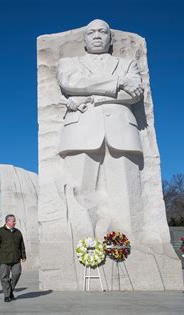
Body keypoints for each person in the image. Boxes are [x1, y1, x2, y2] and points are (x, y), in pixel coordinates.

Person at [57, 19, 147, 241]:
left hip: (122, 132)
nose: (97, 35)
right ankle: (83, 245)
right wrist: (117, 83)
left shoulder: (127, 64)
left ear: (110, 38)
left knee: (126, 196)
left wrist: (90, 96)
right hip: (80, 132)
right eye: (91, 33)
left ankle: (130, 245)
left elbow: (134, 94)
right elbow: (70, 83)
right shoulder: (70, 62)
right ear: (85, 40)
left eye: (102, 32)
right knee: (80, 193)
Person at [0, 214, 26, 302]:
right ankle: (7, 295)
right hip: (4, 258)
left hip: (16, 258)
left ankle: (10, 290)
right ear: (8, 221)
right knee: (4, 277)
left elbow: (22, 245)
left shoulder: (18, 232)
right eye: (13, 221)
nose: (15, 222)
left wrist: (23, 255)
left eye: (15, 221)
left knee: (17, 273)